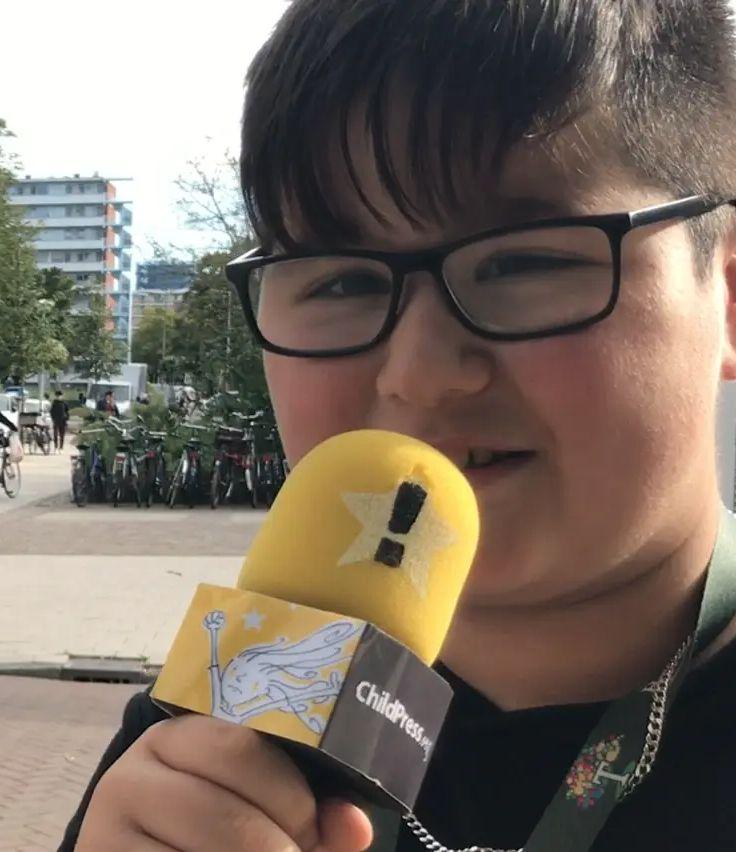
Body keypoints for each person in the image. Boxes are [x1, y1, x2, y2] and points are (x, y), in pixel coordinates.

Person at [64, 2, 736, 851]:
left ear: (728, 298)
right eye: (339, 281)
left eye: (523, 261)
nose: (418, 375)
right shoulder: (205, 750)